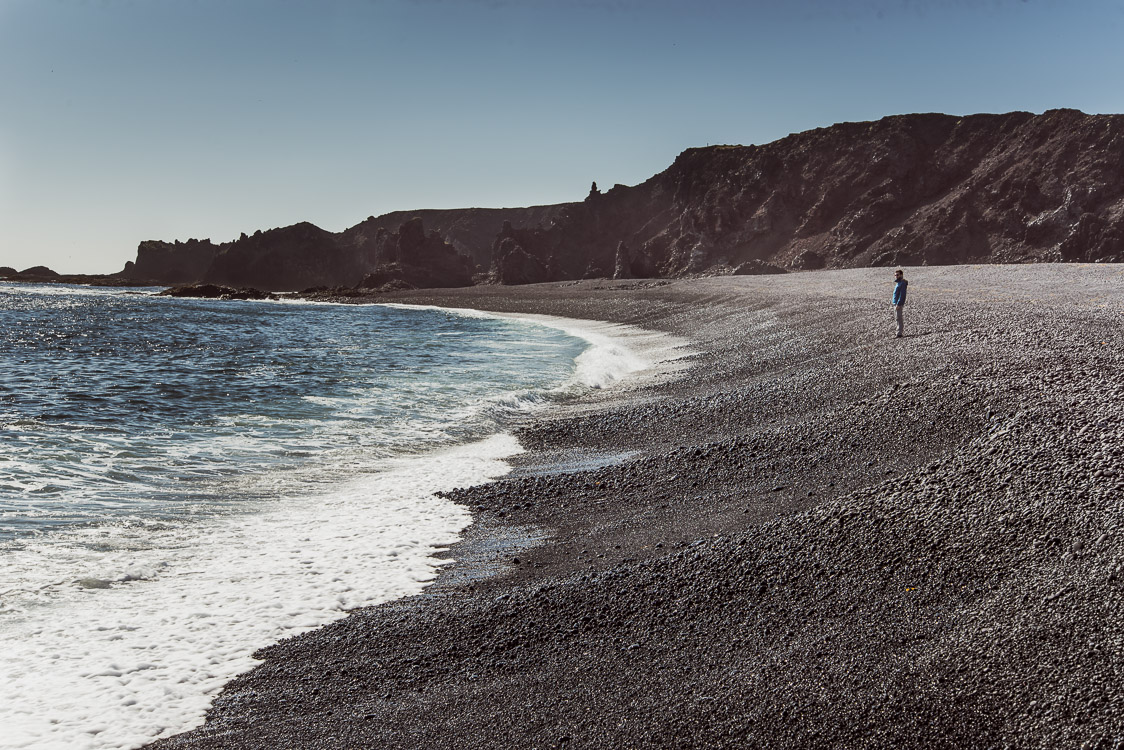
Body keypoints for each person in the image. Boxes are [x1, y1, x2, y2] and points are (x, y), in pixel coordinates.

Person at [892, 269, 908, 337]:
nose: (896, 276)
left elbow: (902, 295)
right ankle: (898, 331)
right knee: (897, 317)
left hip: (898, 303)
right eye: (895, 275)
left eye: (897, 275)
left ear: (901, 275)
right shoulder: (898, 283)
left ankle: (899, 333)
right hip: (895, 303)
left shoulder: (902, 283)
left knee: (899, 317)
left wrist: (899, 303)